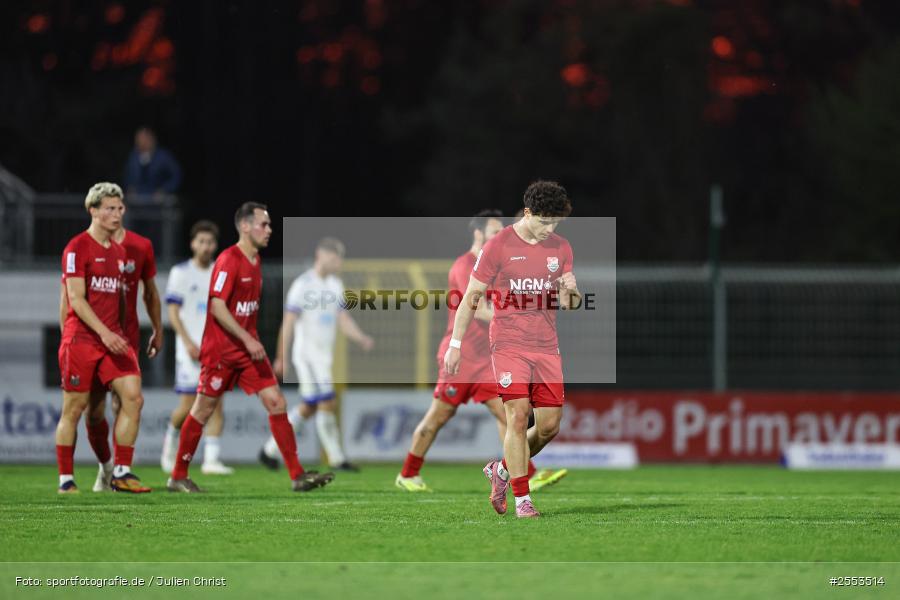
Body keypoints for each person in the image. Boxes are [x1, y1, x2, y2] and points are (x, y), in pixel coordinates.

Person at [168, 203, 334, 493]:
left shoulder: (255, 261)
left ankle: (297, 475)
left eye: (269, 225)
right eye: (264, 225)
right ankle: (178, 475)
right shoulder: (229, 260)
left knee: (277, 403)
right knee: (203, 410)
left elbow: (245, 311)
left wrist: (250, 340)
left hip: (247, 353)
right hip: (221, 352)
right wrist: (247, 339)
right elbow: (217, 305)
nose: (269, 230)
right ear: (245, 226)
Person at [444, 180, 581, 518]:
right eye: (545, 222)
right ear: (529, 212)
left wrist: (572, 292)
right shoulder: (499, 245)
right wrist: (455, 345)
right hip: (508, 344)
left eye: (556, 224)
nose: (550, 229)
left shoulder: (561, 248)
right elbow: (470, 299)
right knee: (518, 418)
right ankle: (523, 500)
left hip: (547, 346)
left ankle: (501, 470)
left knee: (549, 426)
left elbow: (570, 303)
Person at [395, 211, 558, 491]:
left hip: (487, 361)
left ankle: (525, 472)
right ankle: (408, 474)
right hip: (462, 357)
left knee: (513, 414)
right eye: (495, 233)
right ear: (478, 234)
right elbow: (479, 309)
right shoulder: (464, 265)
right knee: (439, 417)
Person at [58, 188, 163, 492]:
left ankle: (121, 471)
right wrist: (100, 333)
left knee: (134, 397)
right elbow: (75, 299)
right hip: (83, 339)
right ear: (92, 210)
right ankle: (66, 480)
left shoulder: (119, 253)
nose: (117, 214)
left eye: (120, 208)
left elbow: (121, 299)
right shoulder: (76, 247)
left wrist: (118, 332)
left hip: (112, 340)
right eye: (110, 208)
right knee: (76, 409)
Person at [259, 238, 374, 472]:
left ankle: (269, 451)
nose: (339, 262)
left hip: (323, 357)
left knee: (309, 407)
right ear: (321, 256)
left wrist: (360, 337)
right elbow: (288, 323)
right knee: (327, 401)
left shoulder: (335, 285)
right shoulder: (303, 285)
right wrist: (282, 356)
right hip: (307, 356)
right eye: (335, 258)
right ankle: (336, 458)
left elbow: (343, 319)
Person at [161, 221, 233, 475]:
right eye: (201, 241)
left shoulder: (220, 272)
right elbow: (172, 311)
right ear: (193, 244)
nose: (205, 246)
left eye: (210, 242)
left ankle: (211, 460)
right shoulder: (180, 273)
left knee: (217, 403)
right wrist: (188, 341)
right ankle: (170, 443)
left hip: (216, 349)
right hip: (189, 350)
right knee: (189, 404)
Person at [123, 127, 182, 200]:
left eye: (143, 139)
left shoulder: (163, 156)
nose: (140, 143)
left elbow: (176, 176)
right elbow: (127, 176)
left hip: (158, 200)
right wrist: (130, 188)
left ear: (151, 139)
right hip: (138, 199)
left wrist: (164, 190)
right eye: (138, 140)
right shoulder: (133, 156)